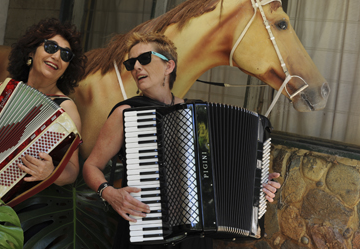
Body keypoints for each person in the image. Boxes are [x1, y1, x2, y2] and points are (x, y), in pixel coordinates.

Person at [83, 32, 281, 248]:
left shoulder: (198, 116)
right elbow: (92, 165)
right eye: (132, 63)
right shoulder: (126, 113)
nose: (137, 67)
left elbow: (224, 169)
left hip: (195, 239)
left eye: (145, 59)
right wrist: (109, 193)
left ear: (169, 66)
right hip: (148, 230)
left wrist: (257, 184)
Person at [0, 17, 86, 186]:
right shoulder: (4, 91)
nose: (57, 56)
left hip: (23, 200)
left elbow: (72, 170)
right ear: (31, 52)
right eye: (50, 47)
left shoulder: (66, 108)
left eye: (66, 55)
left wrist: (50, 173)